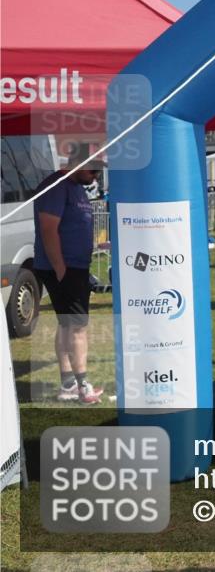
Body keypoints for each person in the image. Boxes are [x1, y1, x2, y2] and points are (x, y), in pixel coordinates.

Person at [33, 152, 106, 404]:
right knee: (77, 326)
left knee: (67, 324)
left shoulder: (76, 187)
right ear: (77, 164)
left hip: (74, 267)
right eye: (92, 170)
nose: (96, 176)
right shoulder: (56, 186)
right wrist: (61, 269)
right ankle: (82, 386)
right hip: (64, 268)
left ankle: (68, 385)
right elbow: (48, 229)